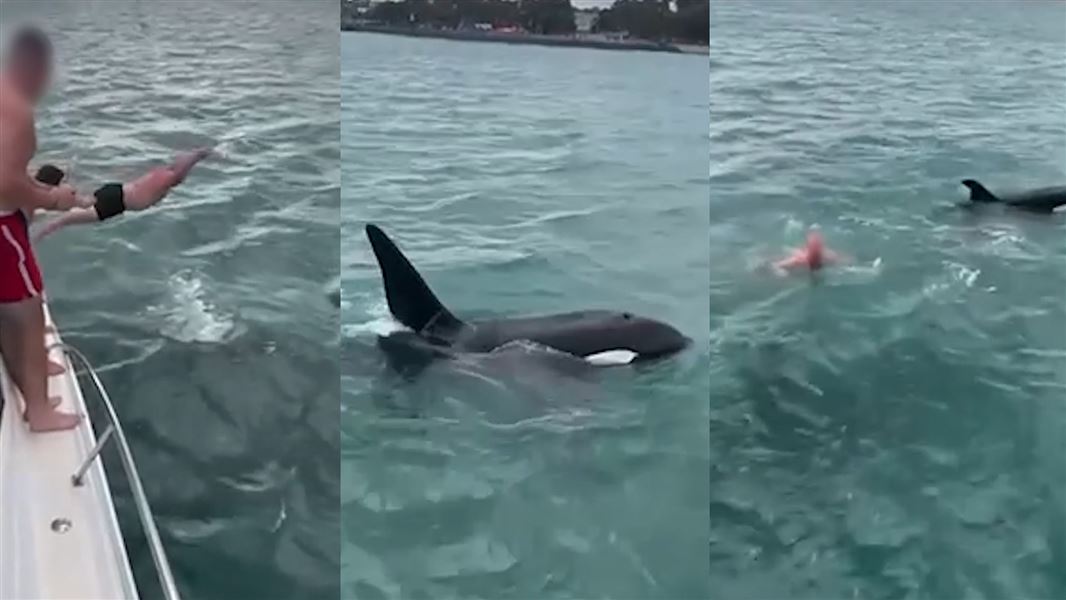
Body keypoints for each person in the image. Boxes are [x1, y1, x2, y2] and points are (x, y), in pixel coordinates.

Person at [0, 26, 92, 432]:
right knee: (29, 307)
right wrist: (53, 198)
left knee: (9, 307)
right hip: (2, 224)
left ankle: (29, 372)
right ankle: (38, 410)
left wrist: (43, 190)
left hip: (6, 217)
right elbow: (5, 181)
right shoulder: (17, 110)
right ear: (33, 67)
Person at [33, 147, 214, 240]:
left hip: (118, 199)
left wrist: (39, 237)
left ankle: (200, 154)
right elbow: (59, 220)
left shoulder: (79, 206)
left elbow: (58, 221)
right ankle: (200, 153)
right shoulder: (81, 203)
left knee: (173, 176)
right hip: (116, 194)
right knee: (173, 176)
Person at [773, 230, 845, 273]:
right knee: (791, 251)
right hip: (800, 259)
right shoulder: (800, 260)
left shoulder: (828, 256)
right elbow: (776, 266)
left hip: (804, 259)